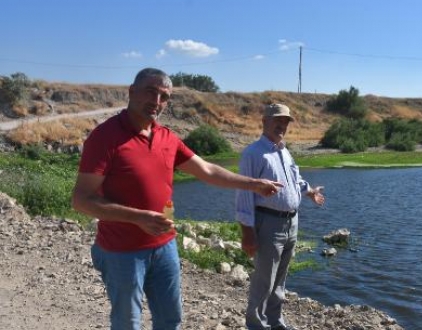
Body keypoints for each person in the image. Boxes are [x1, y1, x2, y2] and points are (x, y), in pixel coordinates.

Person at [71, 68, 282, 330]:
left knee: (170, 320)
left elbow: (207, 170)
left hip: (165, 247)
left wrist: (254, 184)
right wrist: (138, 217)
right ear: (131, 92)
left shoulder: (167, 137)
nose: (156, 102)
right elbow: (81, 200)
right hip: (121, 251)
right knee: (127, 322)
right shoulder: (105, 137)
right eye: (150, 92)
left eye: (164, 97)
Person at [236, 103, 325, 330]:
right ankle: (256, 325)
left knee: (279, 281)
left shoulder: (284, 151)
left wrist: (309, 191)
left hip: (291, 223)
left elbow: (295, 180)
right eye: (277, 120)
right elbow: (244, 195)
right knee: (264, 281)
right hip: (268, 223)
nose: (281, 125)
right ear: (264, 121)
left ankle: (275, 322)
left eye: (285, 121)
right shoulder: (253, 153)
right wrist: (247, 232)